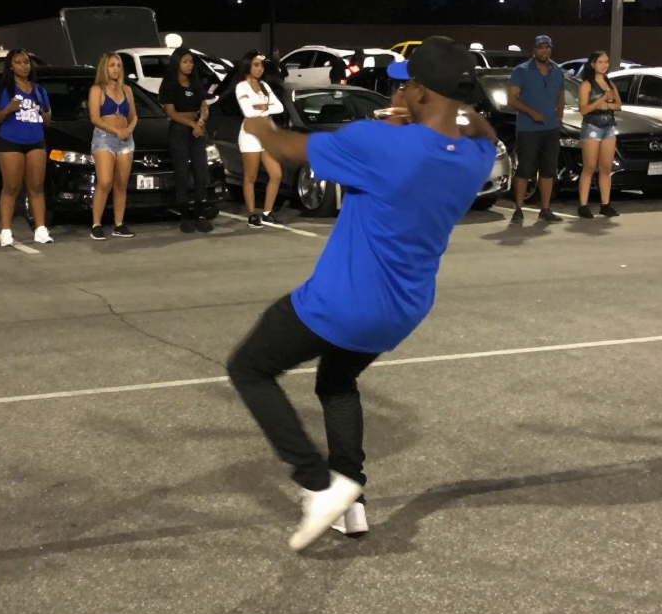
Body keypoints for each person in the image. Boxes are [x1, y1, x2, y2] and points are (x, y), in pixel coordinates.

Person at [226, 37, 498, 551]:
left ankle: (319, 484)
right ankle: (351, 502)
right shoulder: (474, 157)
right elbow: (481, 130)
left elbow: (288, 146)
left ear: (418, 91)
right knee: (335, 382)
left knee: (249, 368)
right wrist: (458, 114)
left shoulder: (378, 143)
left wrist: (257, 124)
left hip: (344, 303)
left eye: (405, 83)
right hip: (403, 310)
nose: (398, 90)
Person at [0, 49, 53, 247]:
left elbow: (47, 120)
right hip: (11, 141)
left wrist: (43, 113)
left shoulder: (39, 91)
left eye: (26, 62)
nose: (24, 66)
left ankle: (41, 230)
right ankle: (6, 232)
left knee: (36, 186)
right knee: (11, 187)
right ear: (11, 66)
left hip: (36, 141)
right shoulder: (3, 90)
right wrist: (8, 110)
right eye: (19, 62)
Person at [507, 35, 566, 223]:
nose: (544, 51)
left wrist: (559, 116)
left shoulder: (557, 71)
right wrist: (531, 113)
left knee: (549, 170)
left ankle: (545, 209)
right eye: (540, 47)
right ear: (534, 50)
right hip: (528, 129)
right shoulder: (521, 71)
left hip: (551, 128)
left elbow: (561, 96)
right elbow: (512, 99)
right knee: (525, 169)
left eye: (547, 47)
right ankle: (518, 209)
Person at [158, 46, 214, 233]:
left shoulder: (196, 84)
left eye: (191, 62)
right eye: (185, 61)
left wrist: (200, 121)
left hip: (197, 129)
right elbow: (171, 112)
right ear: (177, 63)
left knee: (201, 169)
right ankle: (184, 216)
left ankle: (200, 214)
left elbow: (204, 107)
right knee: (181, 171)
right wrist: (191, 125)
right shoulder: (169, 85)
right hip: (180, 130)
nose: (189, 65)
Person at [233, 51, 286, 227]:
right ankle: (251, 214)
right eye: (256, 65)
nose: (260, 69)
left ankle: (267, 213)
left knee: (276, 173)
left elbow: (279, 107)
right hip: (251, 135)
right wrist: (266, 107)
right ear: (248, 65)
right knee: (251, 176)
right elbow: (248, 112)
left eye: (261, 65)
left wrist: (262, 107)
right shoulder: (242, 86)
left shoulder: (264, 85)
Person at [88, 52, 137, 240]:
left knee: (121, 183)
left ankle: (118, 224)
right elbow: (94, 118)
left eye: (118, 65)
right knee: (105, 181)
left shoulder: (127, 90)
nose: (115, 68)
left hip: (125, 139)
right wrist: (116, 131)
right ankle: (96, 224)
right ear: (104, 67)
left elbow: (133, 116)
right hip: (104, 138)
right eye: (111, 65)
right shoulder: (97, 90)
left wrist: (128, 129)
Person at [576, 50, 622, 218]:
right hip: (592, 126)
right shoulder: (587, 84)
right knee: (589, 167)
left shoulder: (610, 83)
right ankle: (583, 204)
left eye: (606, 62)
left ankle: (605, 203)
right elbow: (583, 109)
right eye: (601, 62)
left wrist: (608, 106)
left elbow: (619, 105)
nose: (605, 65)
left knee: (606, 167)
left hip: (608, 126)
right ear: (593, 64)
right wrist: (602, 100)